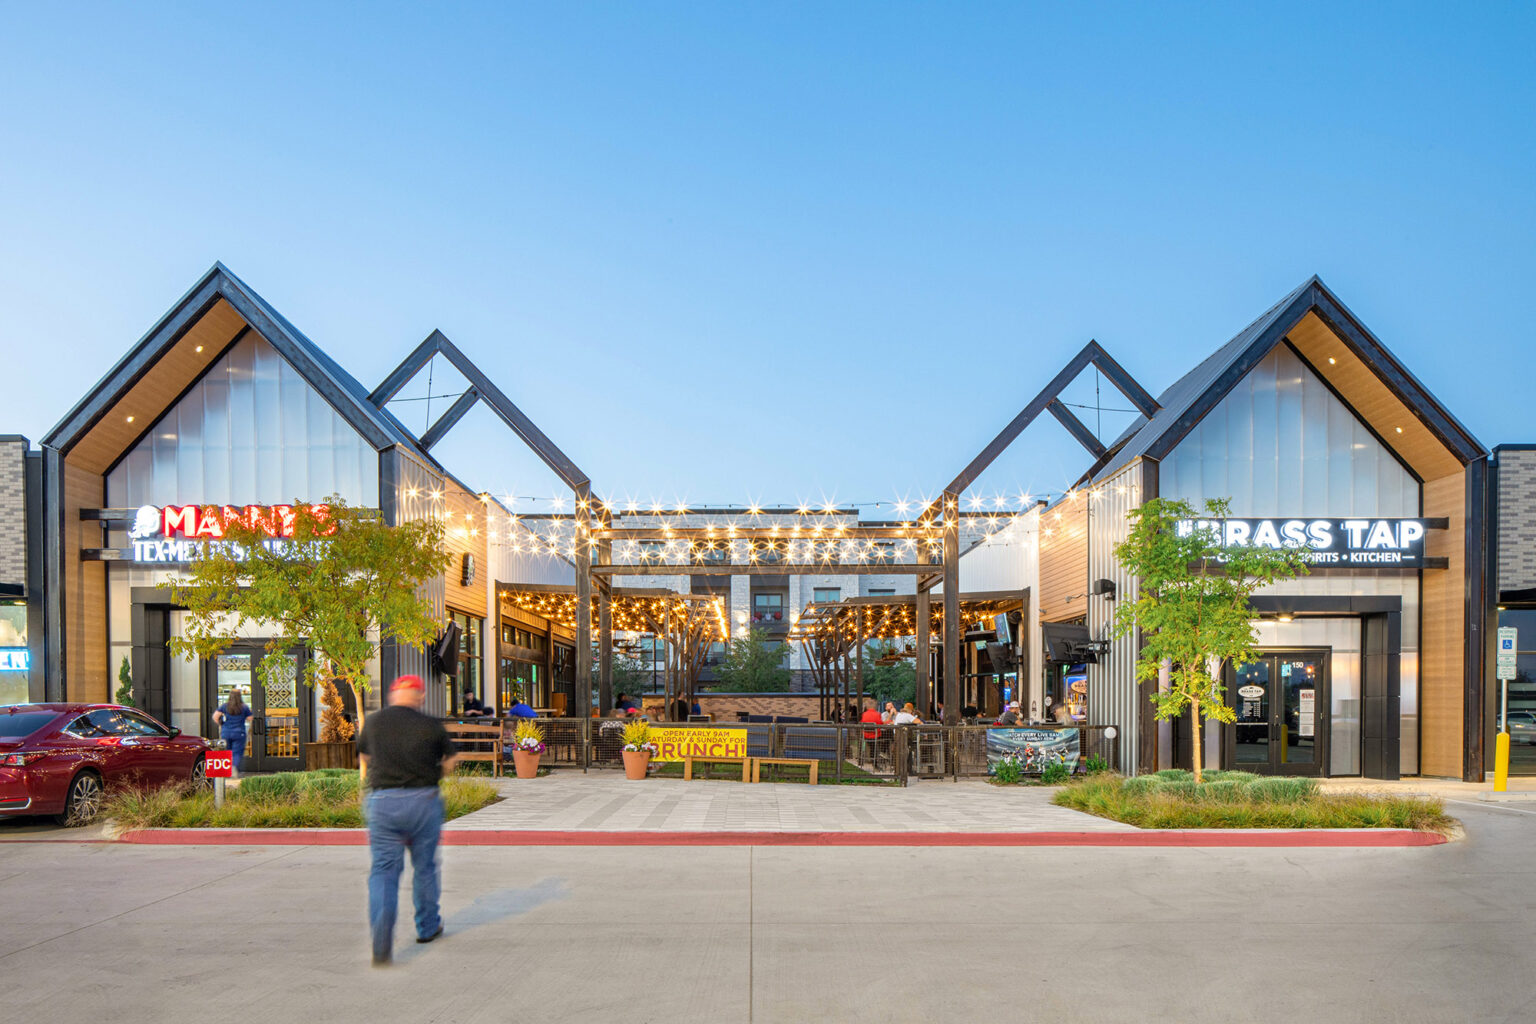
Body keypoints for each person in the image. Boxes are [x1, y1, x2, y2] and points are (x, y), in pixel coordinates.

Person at [357, 675, 457, 966]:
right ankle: (427, 927)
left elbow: (363, 757)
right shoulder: (430, 725)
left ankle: (381, 937)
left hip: (383, 802)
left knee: (384, 871)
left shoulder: (374, 723)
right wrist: (436, 775)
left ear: (394, 694)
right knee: (425, 867)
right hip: (423, 801)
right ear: (420, 696)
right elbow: (450, 760)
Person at [211, 687, 253, 775]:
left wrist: (221, 724)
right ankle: (234, 768)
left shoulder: (225, 706)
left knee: (227, 752)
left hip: (226, 732)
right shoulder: (244, 707)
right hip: (239, 732)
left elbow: (215, 717)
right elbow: (250, 718)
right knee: (237, 752)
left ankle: (228, 770)